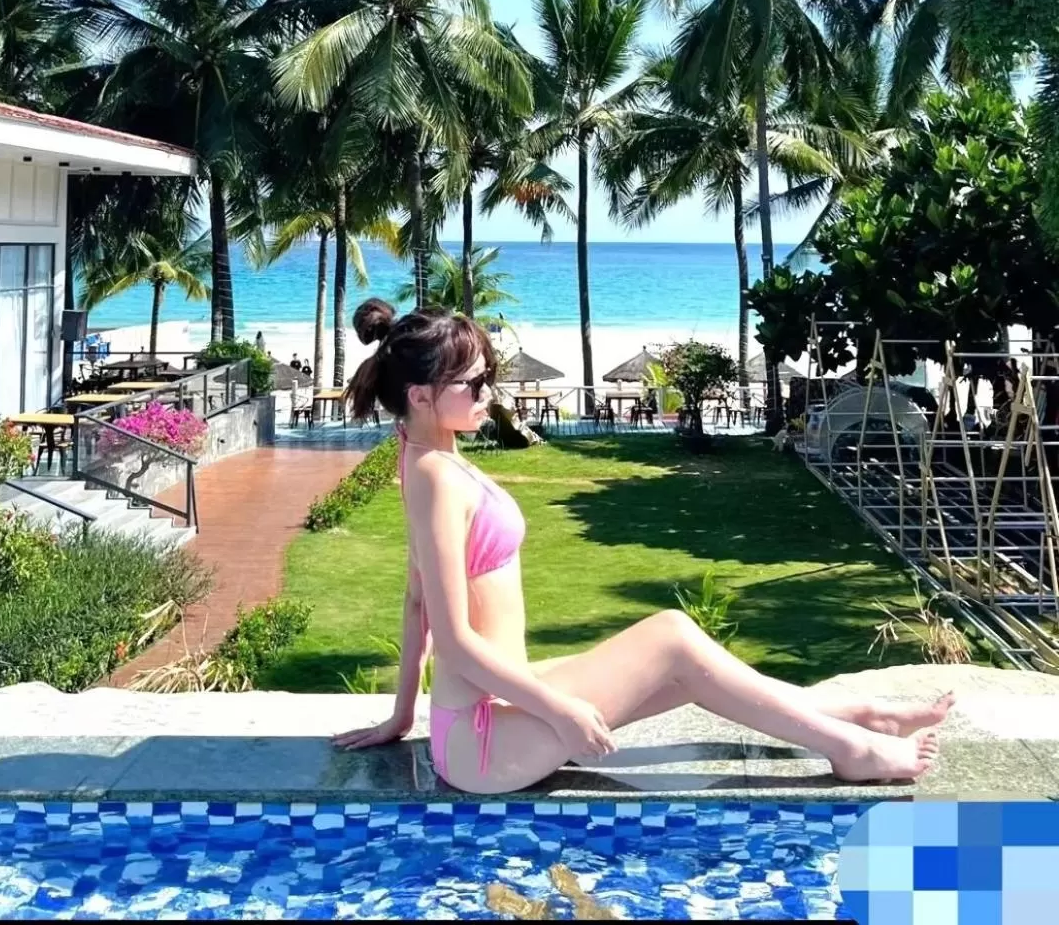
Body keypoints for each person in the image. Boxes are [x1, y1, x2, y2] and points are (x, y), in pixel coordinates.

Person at [332, 300, 950, 795]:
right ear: (420, 395)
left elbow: (415, 602)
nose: (488, 393)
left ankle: (857, 716)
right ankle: (854, 750)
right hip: (485, 744)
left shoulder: (427, 457)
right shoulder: (435, 477)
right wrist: (562, 713)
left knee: (689, 671)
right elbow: (455, 639)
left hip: (487, 713)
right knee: (674, 636)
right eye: (473, 384)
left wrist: (400, 718)